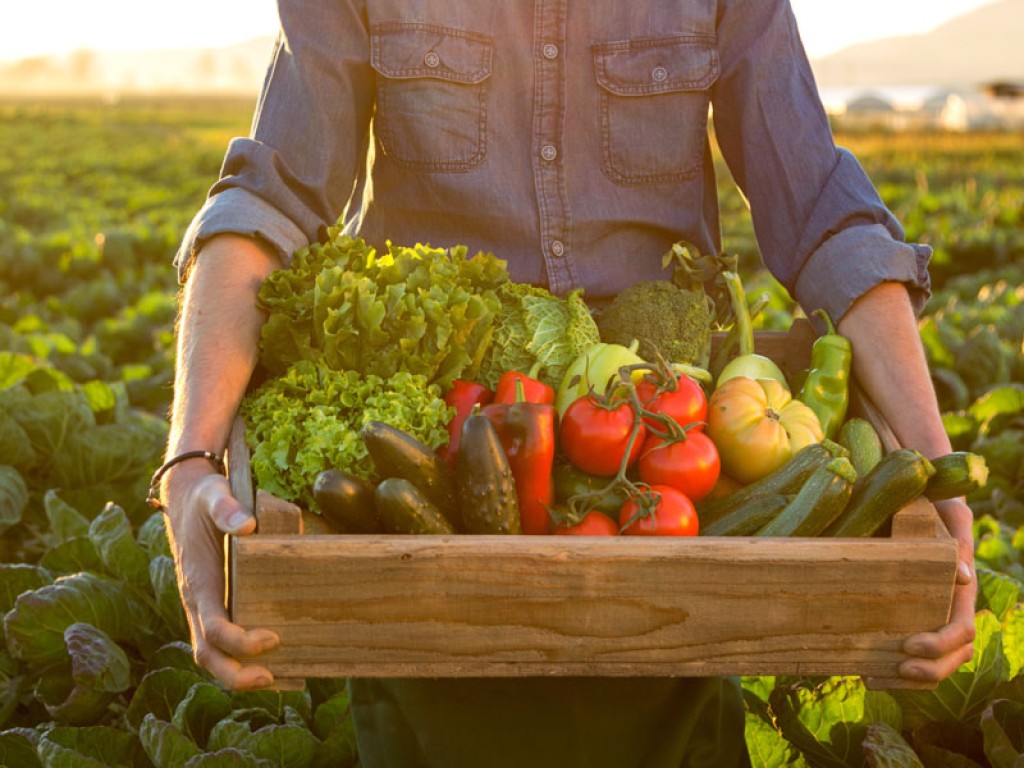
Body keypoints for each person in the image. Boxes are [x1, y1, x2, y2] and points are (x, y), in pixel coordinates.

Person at [157, 1, 977, 765]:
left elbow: (826, 216)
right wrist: (190, 458)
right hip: (440, 465)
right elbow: (267, 203)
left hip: (665, 453)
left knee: (671, 713)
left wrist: (936, 484)